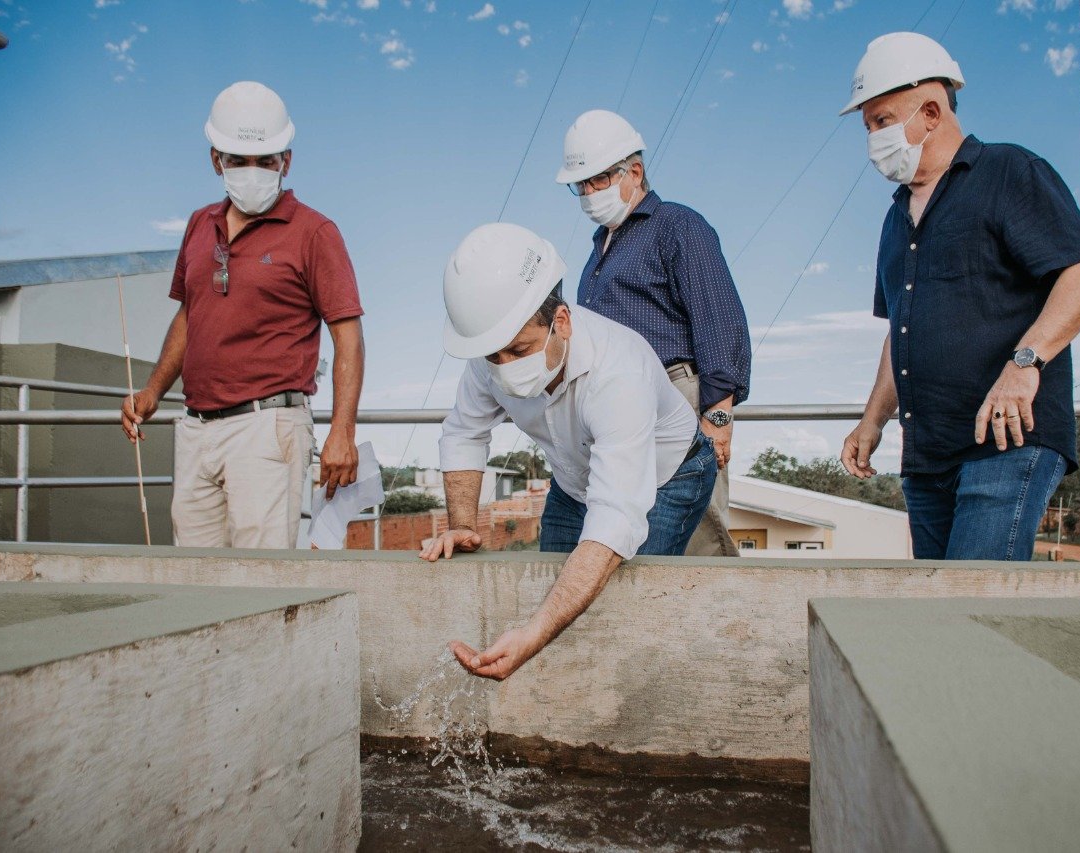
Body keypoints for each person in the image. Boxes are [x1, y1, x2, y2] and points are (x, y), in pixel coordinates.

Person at [837, 33, 1080, 561]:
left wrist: (1025, 363)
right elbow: (902, 332)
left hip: (1006, 446)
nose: (872, 138)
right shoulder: (896, 218)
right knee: (940, 621)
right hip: (928, 456)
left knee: (977, 611)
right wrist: (872, 422)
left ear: (932, 112)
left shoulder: (1009, 171)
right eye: (868, 126)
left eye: (881, 120)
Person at [422, 223, 716, 680]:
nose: (504, 370)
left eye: (518, 350)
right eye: (492, 357)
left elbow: (615, 518)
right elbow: (464, 432)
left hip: (669, 475)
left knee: (618, 601)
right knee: (555, 594)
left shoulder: (619, 372)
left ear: (561, 321)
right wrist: (461, 525)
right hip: (573, 478)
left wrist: (533, 632)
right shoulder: (491, 359)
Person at [121, 81, 365, 549]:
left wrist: (342, 430)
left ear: (285, 162)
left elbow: (348, 337)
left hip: (266, 427)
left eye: (266, 160)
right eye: (238, 160)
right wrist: (153, 391)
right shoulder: (198, 224)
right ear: (216, 160)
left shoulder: (315, 232)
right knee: (193, 577)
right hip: (195, 428)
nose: (252, 172)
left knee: (258, 583)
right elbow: (189, 316)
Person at [555, 110, 751, 558]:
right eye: (580, 185)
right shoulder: (599, 249)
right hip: (616, 403)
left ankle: (715, 628)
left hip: (676, 392)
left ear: (634, 172)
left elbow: (719, 321)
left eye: (598, 180)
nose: (588, 193)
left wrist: (718, 421)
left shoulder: (677, 225)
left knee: (698, 533)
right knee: (632, 528)